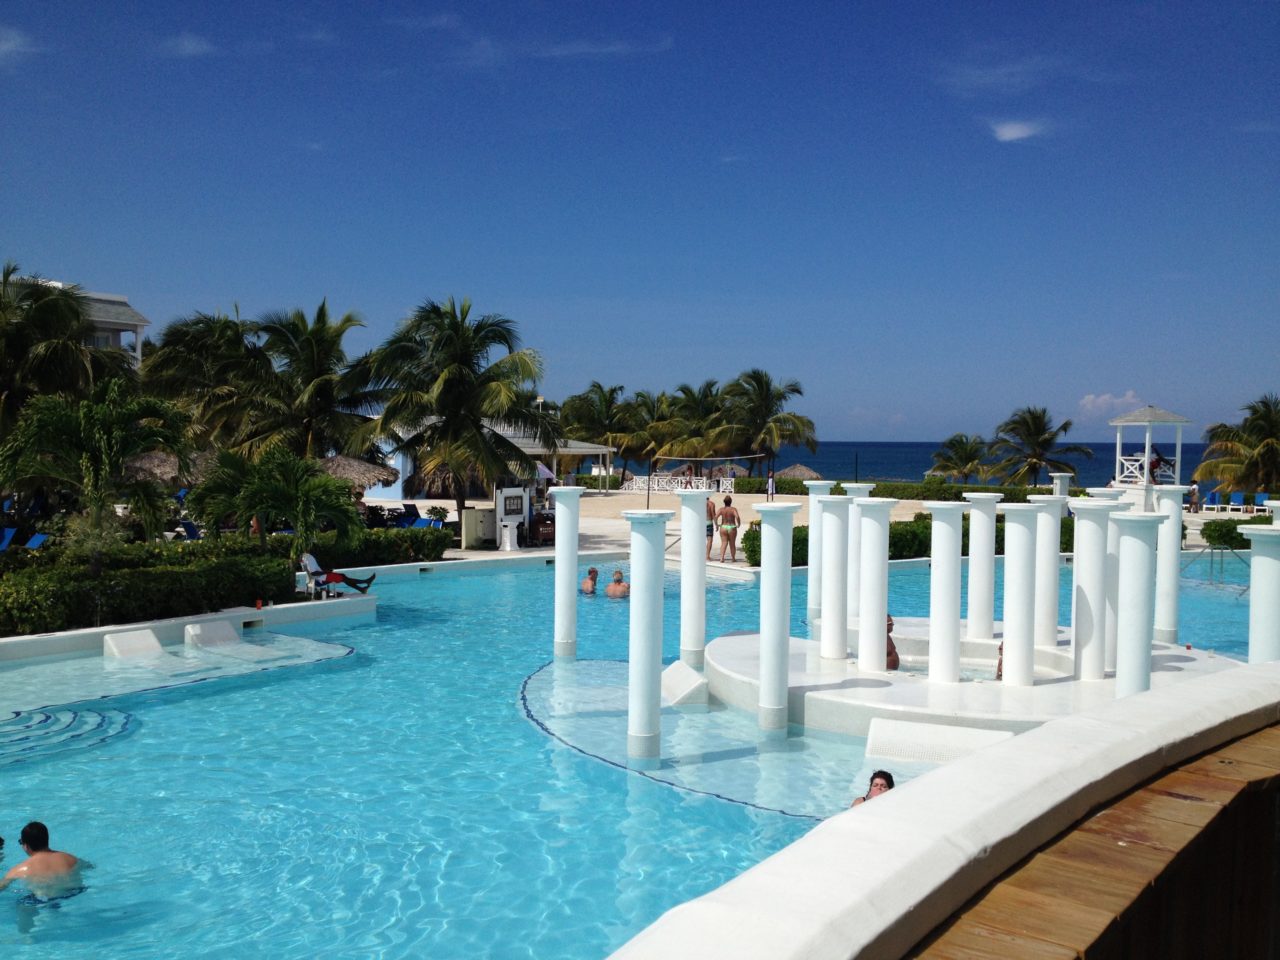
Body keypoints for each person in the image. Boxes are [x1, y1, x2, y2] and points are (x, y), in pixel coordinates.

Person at [0, 822, 81, 894]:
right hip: (74, 892)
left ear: (26, 846)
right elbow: (90, 867)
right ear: (47, 840)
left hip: (44, 899)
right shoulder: (71, 858)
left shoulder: (19, 870)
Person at [300, 552, 376, 594]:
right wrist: (327, 572)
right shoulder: (309, 557)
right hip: (321, 579)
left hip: (316, 580)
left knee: (343, 577)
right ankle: (365, 581)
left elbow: (307, 570)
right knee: (343, 578)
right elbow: (314, 573)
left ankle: (361, 589)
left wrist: (326, 571)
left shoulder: (303, 558)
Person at [716, 495, 742, 562]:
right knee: (732, 543)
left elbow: (715, 517)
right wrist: (738, 524)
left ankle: (722, 558)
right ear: (731, 502)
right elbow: (737, 516)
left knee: (724, 543)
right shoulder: (733, 509)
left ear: (724, 502)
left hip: (723, 527)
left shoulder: (721, 509)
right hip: (732, 527)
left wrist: (716, 525)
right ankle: (733, 558)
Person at [706, 496, 717, 560]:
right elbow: (713, 515)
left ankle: (699, 554)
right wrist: (716, 524)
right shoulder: (711, 504)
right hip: (709, 522)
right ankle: (707, 556)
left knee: (700, 540)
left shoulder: (699, 503)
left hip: (701, 523)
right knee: (709, 540)